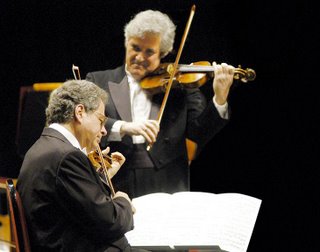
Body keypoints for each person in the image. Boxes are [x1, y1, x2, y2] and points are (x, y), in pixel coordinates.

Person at [86, 10, 235, 199]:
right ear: (126, 42)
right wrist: (124, 127)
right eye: (135, 48)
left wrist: (220, 98)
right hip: (116, 178)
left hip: (167, 181)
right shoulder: (98, 80)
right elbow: (85, 123)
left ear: (162, 53)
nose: (140, 57)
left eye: (149, 52)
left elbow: (200, 131)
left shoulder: (179, 86)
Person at [17, 80, 148, 252]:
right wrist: (123, 200)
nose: (104, 131)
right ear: (80, 112)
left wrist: (102, 177)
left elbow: (78, 206)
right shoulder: (66, 156)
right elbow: (111, 222)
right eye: (101, 120)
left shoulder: (47, 147)